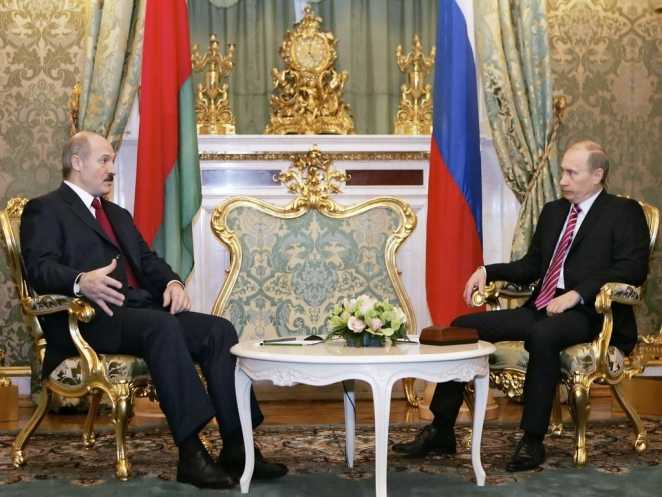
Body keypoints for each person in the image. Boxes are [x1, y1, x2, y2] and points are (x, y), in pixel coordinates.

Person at [20, 131, 288, 489]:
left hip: (136, 312)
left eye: (113, 160)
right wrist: (81, 281)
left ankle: (238, 447)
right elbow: (39, 268)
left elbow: (146, 260)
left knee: (218, 330)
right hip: (89, 318)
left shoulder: (116, 213)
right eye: (104, 160)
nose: (113, 169)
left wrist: (172, 283)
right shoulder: (46, 208)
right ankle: (191, 454)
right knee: (162, 328)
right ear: (77, 162)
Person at [393, 141, 650, 472]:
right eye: (562, 172)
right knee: (462, 327)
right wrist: (488, 271)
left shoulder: (622, 212)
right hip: (542, 308)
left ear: (597, 175)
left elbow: (632, 269)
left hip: (592, 315)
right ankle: (441, 430)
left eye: (572, 173)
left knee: (543, 335)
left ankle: (532, 440)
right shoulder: (554, 211)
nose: (563, 180)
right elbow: (531, 267)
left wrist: (578, 294)